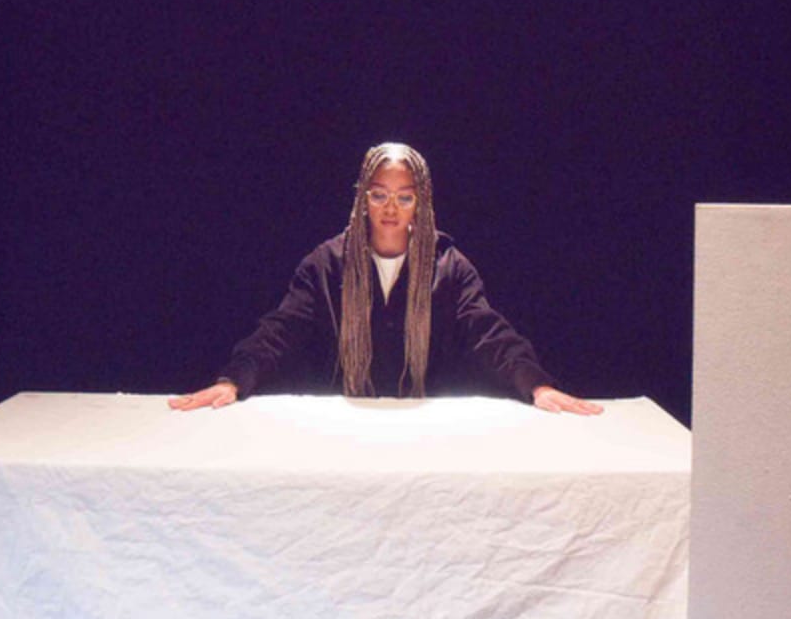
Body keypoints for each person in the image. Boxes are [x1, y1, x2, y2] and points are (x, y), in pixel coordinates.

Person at [171, 142, 603, 415]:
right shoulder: (327, 264)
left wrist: (536, 384)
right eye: (379, 195)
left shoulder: (448, 265)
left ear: (421, 203)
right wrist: (233, 378)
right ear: (363, 200)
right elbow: (279, 332)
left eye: (404, 197)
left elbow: (490, 334)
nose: (391, 208)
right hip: (347, 422)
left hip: (424, 425)